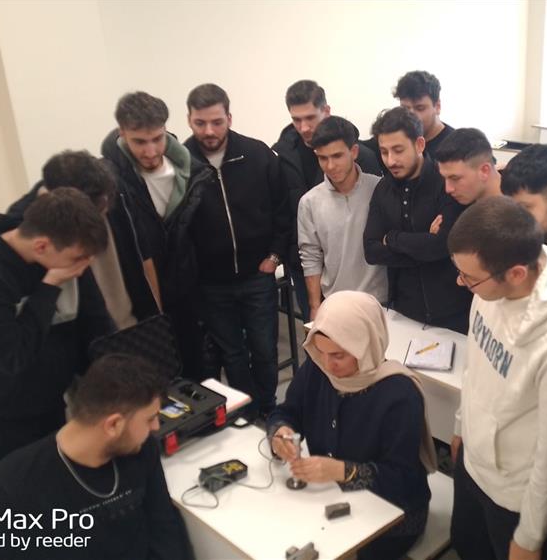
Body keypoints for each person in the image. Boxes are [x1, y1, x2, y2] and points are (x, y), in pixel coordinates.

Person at [447, 197, 547, 560]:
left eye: (469, 278)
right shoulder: (490, 282)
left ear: (515, 274)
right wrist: (462, 425)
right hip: (473, 463)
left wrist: (530, 536)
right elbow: (475, 363)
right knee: (466, 547)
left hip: (514, 497)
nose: (460, 282)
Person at [0, 354, 193, 560]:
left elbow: (164, 528)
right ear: (113, 424)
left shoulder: (141, 449)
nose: (156, 427)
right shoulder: (5, 492)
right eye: (150, 419)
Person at [0, 188, 111, 471]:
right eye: (76, 259)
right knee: (21, 488)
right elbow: (12, 357)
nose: (81, 269)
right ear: (41, 246)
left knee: (56, 475)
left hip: (44, 401)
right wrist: (49, 286)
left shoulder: (51, 253)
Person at [268, 291, 436, 560]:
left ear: (365, 347)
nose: (328, 364)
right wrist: (280, 431)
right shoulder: (317, 369)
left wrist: (341, 471)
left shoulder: (399, 394)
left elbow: (403, 479)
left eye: (338, 355)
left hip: (392, 517)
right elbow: (287, 412)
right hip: (332, 497)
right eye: (321, 352)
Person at [184, 83, 290, 419]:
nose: (209, 130)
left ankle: (268, 408)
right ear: (189, 120)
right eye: (200, 123)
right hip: (211, 283)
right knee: (232, 353)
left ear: (229, 118)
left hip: (257, 274)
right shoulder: (181, 163)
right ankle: (247, 412)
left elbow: (283, 209)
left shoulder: (257, 154)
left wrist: (274, 256)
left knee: (264, 349)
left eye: (216, 122)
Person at [101, 91, 211, 379]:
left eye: (157, 139)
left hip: (187, 296)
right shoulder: (109, 180)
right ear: (122, 132)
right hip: (139, 301)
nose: (150, 151)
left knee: (197, 375)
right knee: (153, 380)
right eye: (139, 142)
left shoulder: (190, 170)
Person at [7, 150, 158, 330]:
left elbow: (143, 256)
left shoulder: (109, 194)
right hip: (86, 337)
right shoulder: (26, 229)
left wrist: (155, 315)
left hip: (133, 326)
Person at [273, 79, 382, 318]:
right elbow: (281, 208)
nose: (304, 127)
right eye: (296, 120)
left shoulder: (370, 171)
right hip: (311, 268)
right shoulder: (282, 153)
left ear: (326, 111)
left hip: (372, 287)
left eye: (310, 118)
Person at [363, 107, 472, 333]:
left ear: (420, 144)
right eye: (384, 152)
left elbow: (444, 245)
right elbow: (371, 251)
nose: (390, 160)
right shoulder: (383, 189)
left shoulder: (446, 183)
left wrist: (392, 238)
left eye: (398, 150)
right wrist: (425, 247)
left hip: (454, 312)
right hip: (403, 310)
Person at [297, 116, 386, 319]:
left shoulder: (379, 189)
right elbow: (310, 256)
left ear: (354, 152)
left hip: (381, 303)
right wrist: (315, 306)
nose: (330, 166)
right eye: (323, 158)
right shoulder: (309, 202)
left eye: (337, 156)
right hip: (336, 304)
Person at [365, 70, 454, 171]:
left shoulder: (455, 147)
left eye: (420, 108)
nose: (412, 115)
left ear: (437, 106)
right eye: (405, 108)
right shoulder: (392, 138)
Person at [434, 128, 503, 206]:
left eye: (455, 178)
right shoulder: (457, 204)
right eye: (444, 178)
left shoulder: (512, 211)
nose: (448, 189)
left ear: (484, 171)